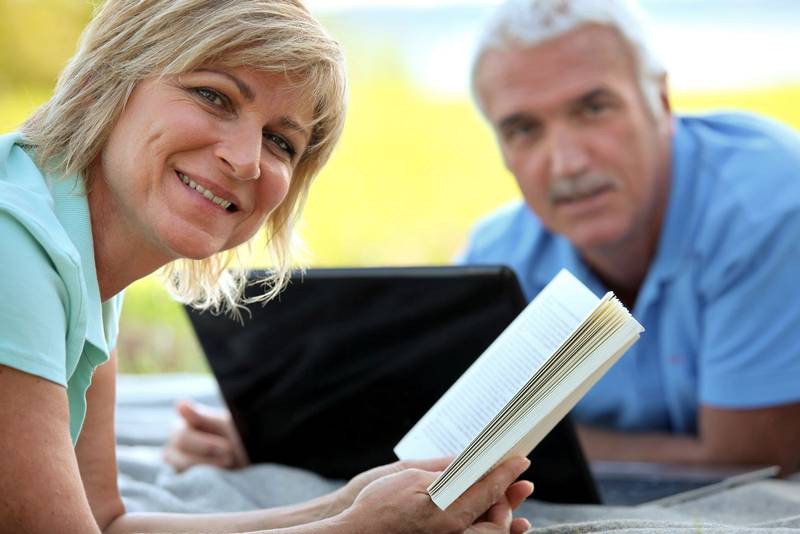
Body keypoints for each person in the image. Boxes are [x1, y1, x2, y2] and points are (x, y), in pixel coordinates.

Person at [166, 0, 800, 478]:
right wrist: (279, 436)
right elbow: (437, 419)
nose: (566, 162)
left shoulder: (769, 203)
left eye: (594, 108)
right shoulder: (502, 255)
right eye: (524, 129)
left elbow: (753, 453)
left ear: (660, 100)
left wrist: (509, 440)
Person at [0, 0, 534, 532]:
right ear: (106, 80)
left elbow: (106, 522)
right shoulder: (14, 244)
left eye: (280, 141)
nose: (245, 159)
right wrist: (362, 530)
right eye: (213, 96)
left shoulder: (80, 254)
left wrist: (342, 506)